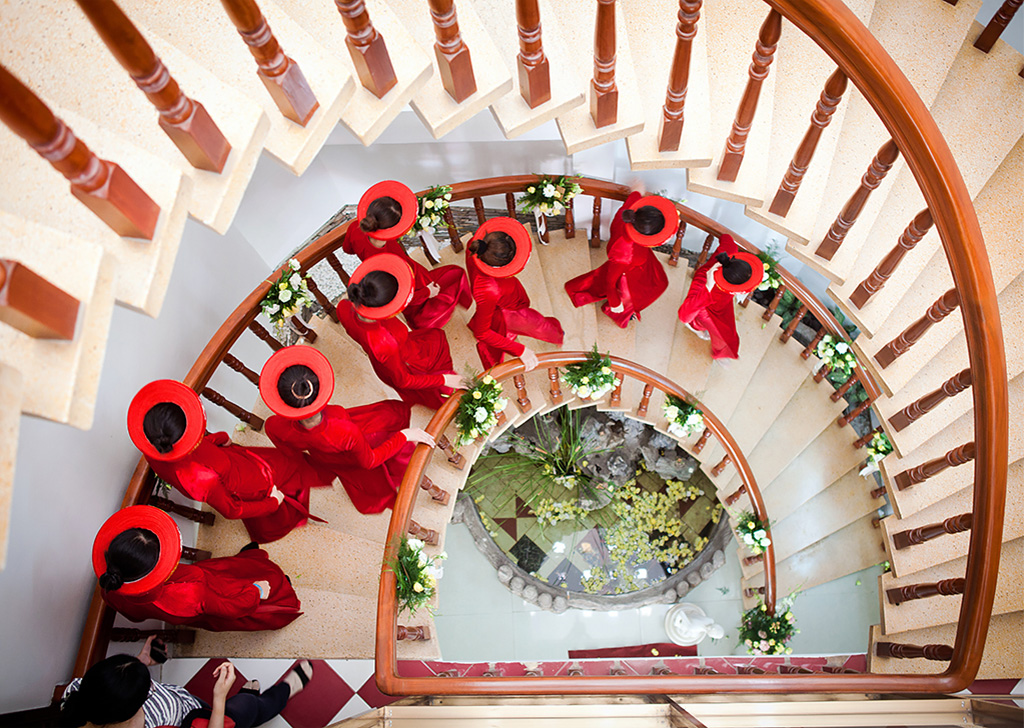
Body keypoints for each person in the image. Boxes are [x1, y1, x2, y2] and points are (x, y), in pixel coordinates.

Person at [128, 380, 326, 544]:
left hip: (231, 460)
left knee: (285, 464)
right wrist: (271, 503)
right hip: (242, 482)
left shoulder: (154, 447)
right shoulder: (203, 478)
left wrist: (219, 439)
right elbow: (232, 510)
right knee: (283, 483)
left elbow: (199, 449)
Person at [261, 346, 434, 513]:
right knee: (388, 435)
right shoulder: (345, 432)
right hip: (352, 442)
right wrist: (405, 435)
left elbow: (290, 453)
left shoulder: (273, 425)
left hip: (326, 456)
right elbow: (370, 461)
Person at [93, 506, 302, 632]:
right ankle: (280, 591)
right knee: (266, 581)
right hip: (218, 590)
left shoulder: (111, 588)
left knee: (234, 567)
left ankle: (249, 562)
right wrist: (256, 590)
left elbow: (136, 616)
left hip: (206, 578)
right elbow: (232, 608)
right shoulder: (191, 594)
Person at [60, 637, 311, 728]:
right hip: (201, 720)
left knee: (240, 703)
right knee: (248, 710)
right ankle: (283, 691)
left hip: (190, 705)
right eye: (147, 691)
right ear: (127, 714)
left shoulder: (80, 692)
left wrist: (140, 663)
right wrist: (219, 698)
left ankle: (245, 696)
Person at [336, 253, 463, 410]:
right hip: (405, 361)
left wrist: (426, 293)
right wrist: (444, 379)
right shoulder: (384, 342)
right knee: (436, 390)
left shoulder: (343, 307)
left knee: (435, 338)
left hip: (390, 356)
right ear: (383, 308)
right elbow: (404, 381)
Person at [342, 180, 471, 329]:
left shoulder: (354, 227)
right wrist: (427, 292)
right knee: (455, 274)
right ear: (391, 229)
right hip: (412, 283)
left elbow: (348, 249)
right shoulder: (387, 263)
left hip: (406, 274)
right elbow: (401, 296)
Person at [564, 189, 677, 328]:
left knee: (660, 282)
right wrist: (615, 304)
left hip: (640, 263)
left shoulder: (627, 216)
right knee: (638, 295)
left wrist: (636, 192)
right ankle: (616, 313)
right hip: (628, 273)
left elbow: (633, 198)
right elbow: (610, 282)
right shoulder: (624, 254)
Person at [466, 217, 564, 369]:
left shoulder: (476, 245)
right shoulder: (488, 289)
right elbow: (482, 332)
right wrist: (521, 350)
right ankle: (557, 335)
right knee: (538, 324)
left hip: (501, 296)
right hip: (507, 308)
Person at [677, 234, 764, 360]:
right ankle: (718, 351)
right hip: (706, 309)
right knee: (723, 334)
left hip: (720, 302)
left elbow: (727, 238)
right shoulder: (703, 288)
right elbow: (684, 316)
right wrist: (698, 332)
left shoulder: (730, 254)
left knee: (725, 330)